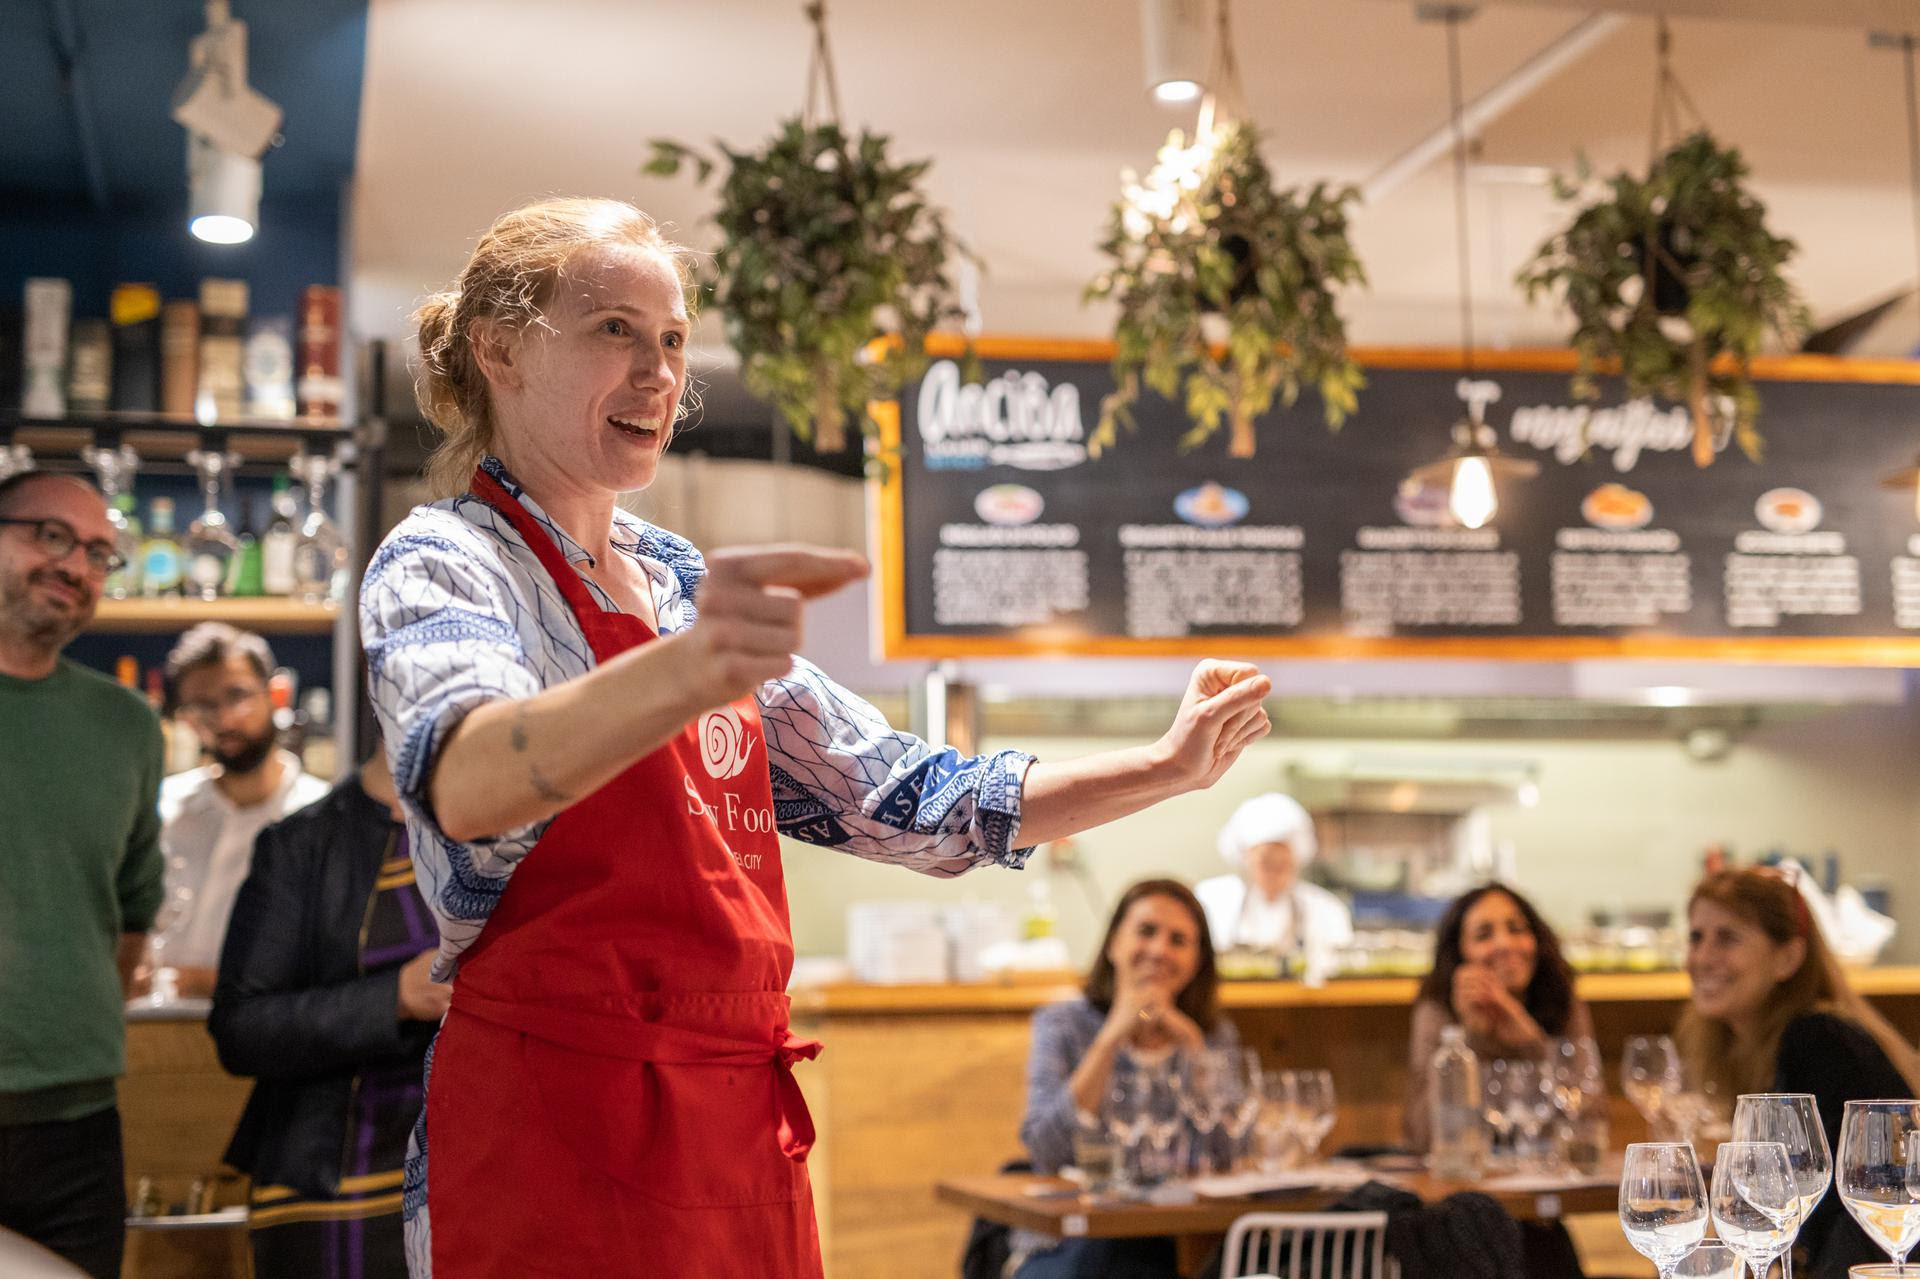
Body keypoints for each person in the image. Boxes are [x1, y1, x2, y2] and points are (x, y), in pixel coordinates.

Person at [358, 196, 1274, 1279]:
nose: (657, 372)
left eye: (672, 339)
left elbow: (908, 796)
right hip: (552, 1118)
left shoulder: (683, 582)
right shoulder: (443, 559)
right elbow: (463, 779)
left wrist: (1167, 767)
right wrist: (685, 669)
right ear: (500, 349)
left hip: (735, 1119)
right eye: (614, 330)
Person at [0, 470, 166, 1279]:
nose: (77, 566)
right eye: (51, 536)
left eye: (101, 553)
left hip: (77, 1119)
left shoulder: (127, 724)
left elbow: (135, 908)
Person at [209, 747, 442, 1279]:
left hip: (486, 1173)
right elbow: (241, 1028)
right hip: (341, 1181)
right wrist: (397, 997)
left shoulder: (506, 833)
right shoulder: (304, 842)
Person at [1677, 868, 1920, 1279]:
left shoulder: (1820, 1038)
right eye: (1697, 937)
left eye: (1727, 938)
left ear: (1788, 957)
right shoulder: (1760, 1044)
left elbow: (1867, 1200)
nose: (1701, 958)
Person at [1015, 879, 1235, 1279]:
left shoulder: (1213, 1036)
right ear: (1115, 942)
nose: (1159, 950)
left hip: (1181, 1241)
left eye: (1179, 940)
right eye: (1146, 931)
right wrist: (1111, 1038)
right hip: (1072, 1244)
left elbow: (1232, 1153)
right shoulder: (1062, 1025)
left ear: (1198, 960)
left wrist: (1193, 1047)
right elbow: (1046, 1151)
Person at [156, 623, 328, 999]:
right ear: (185, 716)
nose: (224, 719)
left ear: (274, 695)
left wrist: (196, 981)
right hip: (153, 1035)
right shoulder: (163, 808)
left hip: (270, 1042)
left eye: (238, 695)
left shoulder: (323, 817)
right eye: (202, 705)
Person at [1403, 883, 1592, 1151]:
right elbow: (1424, 1136)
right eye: (1483, 935)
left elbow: (1590, 1119)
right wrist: (1471, 1043)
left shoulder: (1560, 997)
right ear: (1460, 953)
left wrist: (1530, 1041)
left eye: (1516, 929)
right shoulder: (1438, 1007)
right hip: (1467, 1183)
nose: (1504, 944)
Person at [1195, 792, 1351, 969]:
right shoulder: (1212, 900)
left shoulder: (1326, 908)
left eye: (1282, 864)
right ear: (1245, 859)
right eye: (1266, 863)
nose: (1275, 873)